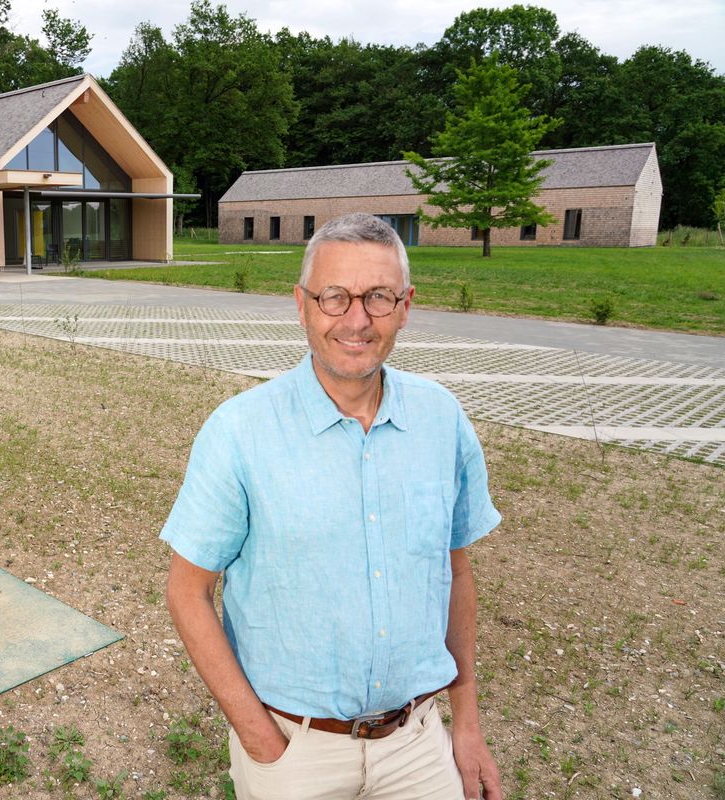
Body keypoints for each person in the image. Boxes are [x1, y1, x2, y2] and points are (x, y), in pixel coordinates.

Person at [161, 213, 502, 800]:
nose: (357, 319)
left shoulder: (442, 420)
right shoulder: (239, 432)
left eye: (378, 297)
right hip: (295, 752)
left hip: (418, 743)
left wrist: (466, 725)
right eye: (334, 296)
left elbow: (456, 571)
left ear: (406, 306)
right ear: (302, 305)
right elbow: (187, 592)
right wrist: (262, 742)